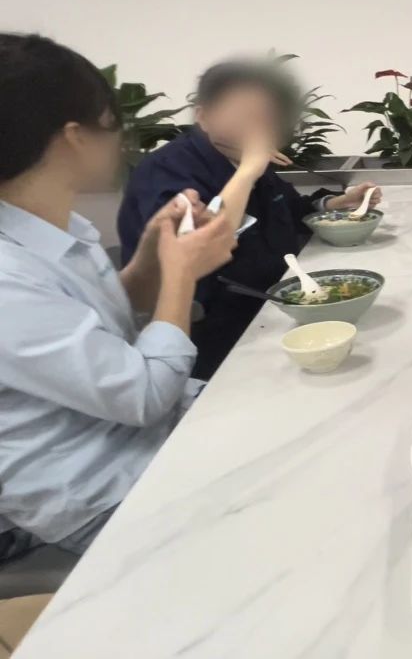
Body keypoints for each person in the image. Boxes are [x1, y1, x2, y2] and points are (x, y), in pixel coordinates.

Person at [0, 33, 247, 557]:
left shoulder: (58, 224)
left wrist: (153, 258)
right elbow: (142, 396)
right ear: (74, 138)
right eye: (113, 125)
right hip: (105, 488)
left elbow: (103, 315)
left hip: (159, 431)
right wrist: (180, 276)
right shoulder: (6, 277)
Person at [118, 60, 380, 379]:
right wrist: (248, 172)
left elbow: (292, 210)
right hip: (214, 333)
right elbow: (195, 250)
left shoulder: (245, 157)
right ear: (203, 116)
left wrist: (338, 202)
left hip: (278, 306)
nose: (259, 129)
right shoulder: (168, 169)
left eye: (267, 117)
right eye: (244, 115)